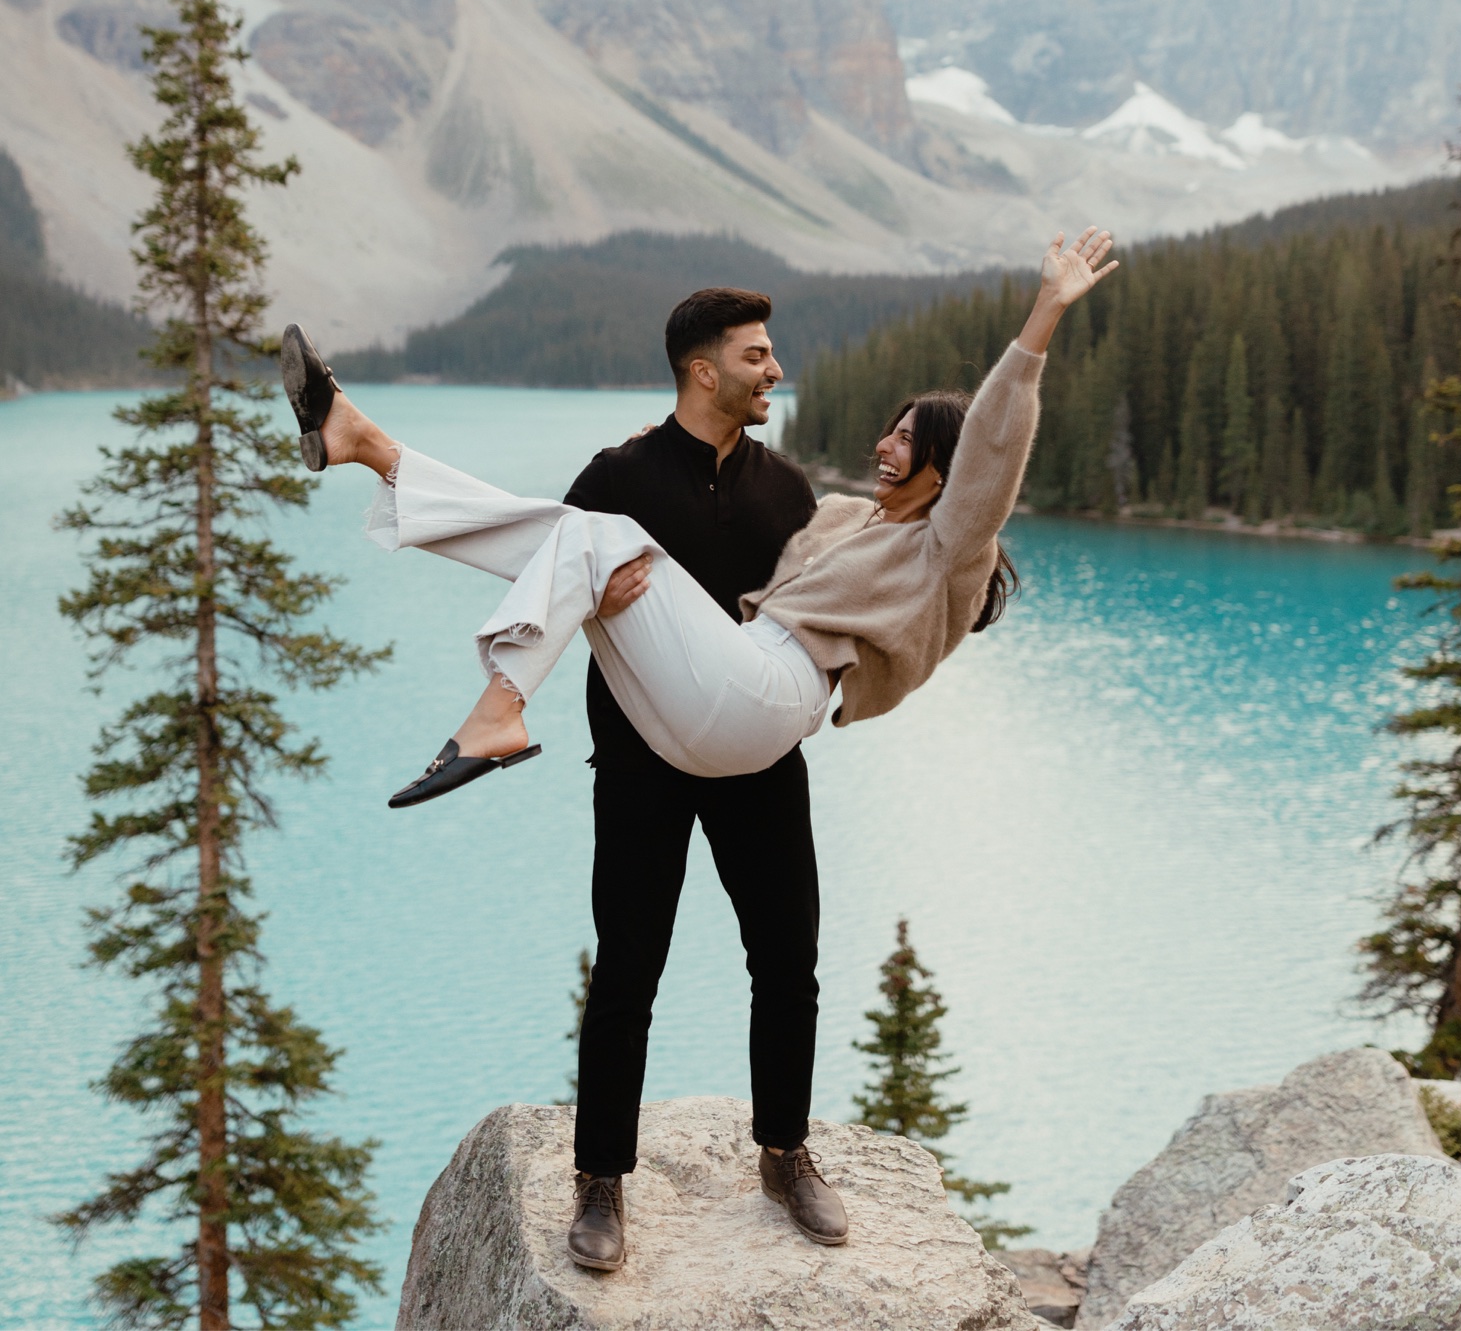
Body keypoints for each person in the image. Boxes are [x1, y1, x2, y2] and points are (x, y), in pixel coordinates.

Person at [280, 225, 1116, 1265]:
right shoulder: (669, 477)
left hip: (758, 733)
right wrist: (603, 592)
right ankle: (601, 1186)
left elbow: (989, 459)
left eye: (905, 437)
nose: (782, 375)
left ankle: (785, 1154)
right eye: (759, 356)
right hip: (646, 740)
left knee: (787, 963)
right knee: (627, 962)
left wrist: (1042, 316)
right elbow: (549, 560)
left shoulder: (855, 513)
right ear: (701, 366)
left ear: (943, 464)